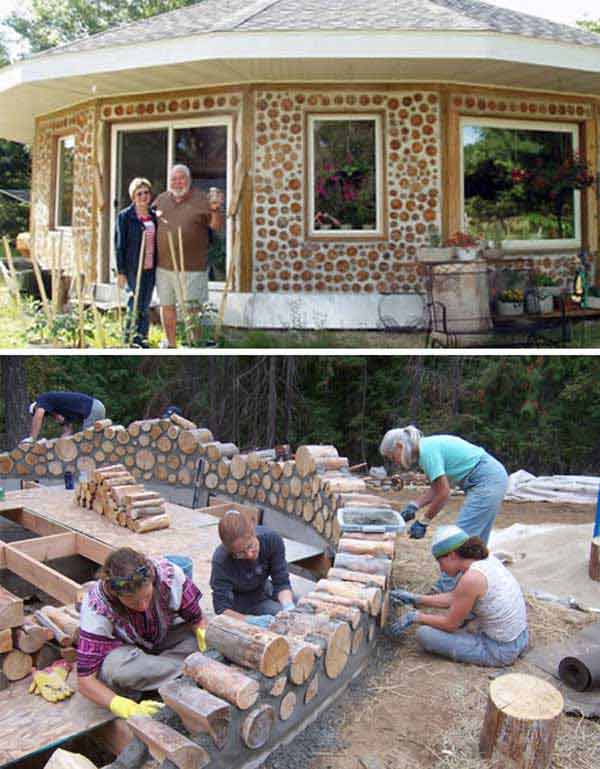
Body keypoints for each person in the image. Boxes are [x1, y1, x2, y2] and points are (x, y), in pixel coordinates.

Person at [77, 548, 207, 718]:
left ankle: (162, 677)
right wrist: (124, 707)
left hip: (165, 636)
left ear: (152, 580)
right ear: (116, 594)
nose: (143, 606)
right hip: (129, 654)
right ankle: (193, 671)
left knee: (197, 639)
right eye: (132, 601)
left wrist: (204, 637)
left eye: (147, 596)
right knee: (114, 670)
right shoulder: (96, 608)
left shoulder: (170, 576)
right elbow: (85, 680)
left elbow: (197, 619)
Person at [379, 425, 508, 591]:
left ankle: (444, 589)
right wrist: (415, 505)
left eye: (392, 456)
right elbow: (437, 486)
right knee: (476, 543)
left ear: (399, 446)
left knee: (459, 541)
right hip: (492, 477)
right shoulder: (426, 449)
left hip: (487, 480)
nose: (394, 461)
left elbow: (444, 493)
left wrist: (424, 521)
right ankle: (478, 586)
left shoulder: (427, 452)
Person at [387, 526, 528, 668]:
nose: (441, 569)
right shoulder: (485, 560)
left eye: (440, 562)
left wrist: (417, 617)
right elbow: (456, 597)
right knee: (463, 613)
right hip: (520, 638)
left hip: (500, 651)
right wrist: (416, 598)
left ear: (451, 555)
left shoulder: (471, 579)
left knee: (424, 635)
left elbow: (450, 624)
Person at [154, 165, 224, 348]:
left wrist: (216, 210)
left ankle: (194, 344)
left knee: (192, 309)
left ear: (189, 180)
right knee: (167, 305)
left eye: (181, 178)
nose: (178, 182)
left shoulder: (201, 199)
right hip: (164, 266)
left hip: (192, 267)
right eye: (174, 179)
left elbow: (216, 227)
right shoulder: (161, 200)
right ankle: (170, 344)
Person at [210, 510, 294, 628]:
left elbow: (281, 582)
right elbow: (221, 609)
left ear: (253, 531)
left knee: (300, 608)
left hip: (264, 587)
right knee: (279, 618)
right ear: (230, 550)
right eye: (240, 553)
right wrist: (248, 620)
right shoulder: (221, 561)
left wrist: (288, 606)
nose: (249, 554)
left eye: (250, 546)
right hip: (243, 602)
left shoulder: (271, 540)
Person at [115, 177, 158, 348]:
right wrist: (120, 271)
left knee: (145, 304)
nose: (143, 196)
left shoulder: (154, 216)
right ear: (133, 196)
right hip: (133, 267)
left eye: (146, 192)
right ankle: (130, 338)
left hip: (150, 266)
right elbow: (119, 245)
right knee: (135, 301)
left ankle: (142, 338)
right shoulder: (125, 217)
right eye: (139, 193)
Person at [27, 391, 106, 441]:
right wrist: (62, 440)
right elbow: (67, 428)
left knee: (87, 442)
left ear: (36, 407)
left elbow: (38, 416)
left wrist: (32, 438)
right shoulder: (58, 409)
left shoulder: (42, 399)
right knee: (95, 440)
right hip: (97, 406)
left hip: (93, 408)